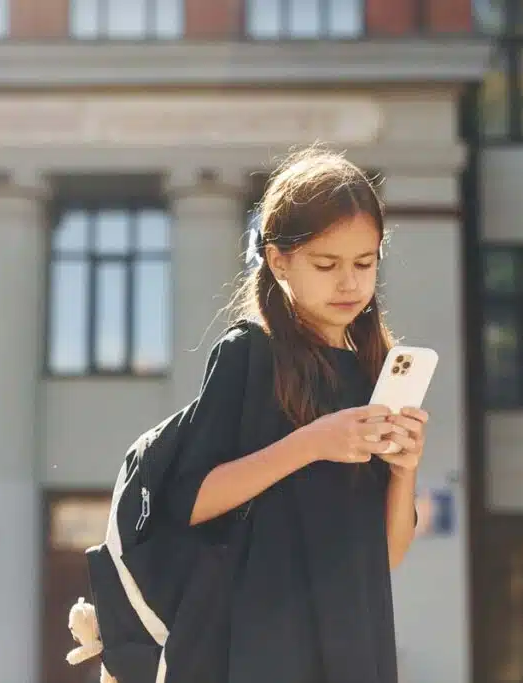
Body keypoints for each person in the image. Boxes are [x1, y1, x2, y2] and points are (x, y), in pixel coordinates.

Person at [165, 147, 429, 683]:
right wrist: (313, 442)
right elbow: (188, 501)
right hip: (263, 646)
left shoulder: (376, 373)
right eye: (327, 265)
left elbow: (387, 556)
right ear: (279, 259)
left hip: (358, 646)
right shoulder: (248, 354)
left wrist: (405, 471)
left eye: (365, 263)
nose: (350, 284)